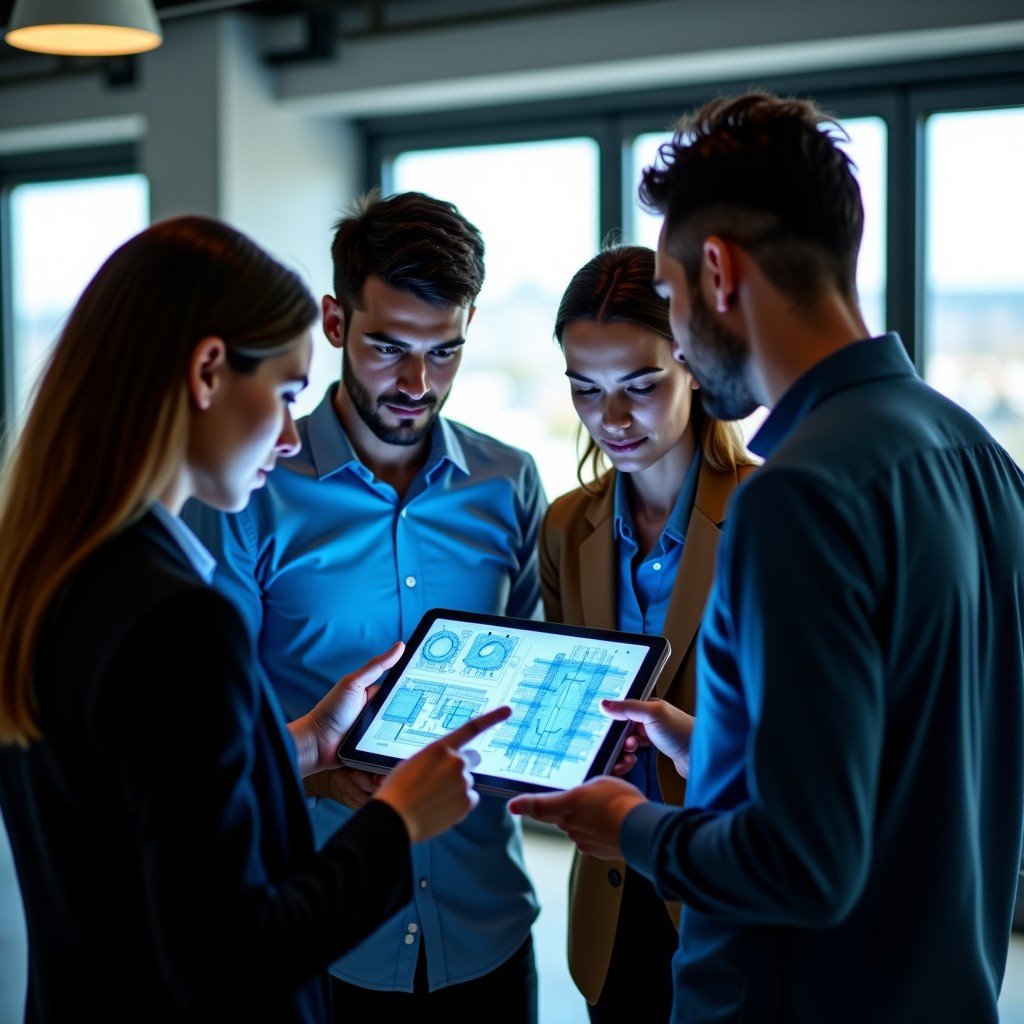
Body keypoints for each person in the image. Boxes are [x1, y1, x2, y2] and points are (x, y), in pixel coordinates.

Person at [511, 92, 1024, 1024]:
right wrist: (717, 746)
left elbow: (803, 865)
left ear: (717, 271)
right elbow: (914, 764)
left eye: (666, 297)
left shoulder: (796, 494)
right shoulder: (978, 456)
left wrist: (634, 825)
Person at [0, 215, 510, 1023]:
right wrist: (396, 819)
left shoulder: (61, 578)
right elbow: (237, 954)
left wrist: (304, 742)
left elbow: (144, 805)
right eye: (284, 393)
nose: (285, 437)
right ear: (208, 372)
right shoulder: (177, 619)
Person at [184, 190, 545, 1023]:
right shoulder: (252, 491)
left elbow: (524, 684)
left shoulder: (510, 484)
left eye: (445, 352)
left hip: (488, 925)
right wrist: (323, 772)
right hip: (321, 929)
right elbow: (212, 732)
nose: (418, 383)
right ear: (337, 322)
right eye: (388, 347)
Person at [543, 245, 755, 1021]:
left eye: (640, 385)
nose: (613, 419)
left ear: (694, 365)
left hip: (729, 886)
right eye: (586, 391)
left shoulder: (772, 514)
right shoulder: (567, 526)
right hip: (611, 891)